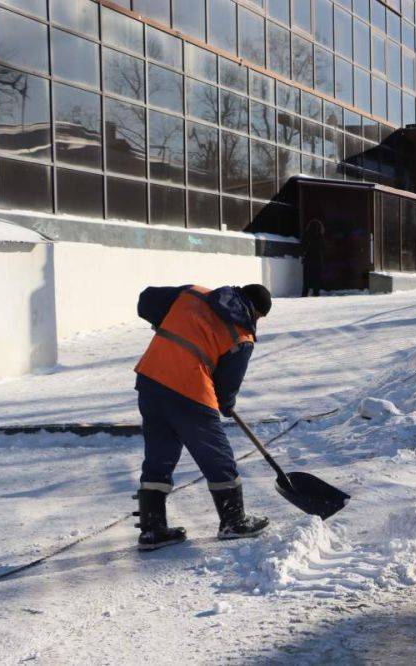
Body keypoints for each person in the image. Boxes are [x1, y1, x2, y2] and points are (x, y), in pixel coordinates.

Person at [133, 283, 273, 551]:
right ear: (256, 313)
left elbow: (146, 299)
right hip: (190, 390)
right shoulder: (241, 335)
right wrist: (227, 404)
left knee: (159, 453)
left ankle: (152, 529)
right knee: (216, 456)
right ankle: (233, 520)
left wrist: (165, 320)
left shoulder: (195, 293)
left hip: (151, 379)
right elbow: (227, 385)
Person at [301, 218, 326, 297]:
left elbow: (303, 246)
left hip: (308, 259)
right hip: (318, 259)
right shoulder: (320, 236)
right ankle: (316, 293)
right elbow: (323, 248)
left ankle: (304, 293)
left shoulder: (306, 235)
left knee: (306, 278)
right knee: (316, 278)